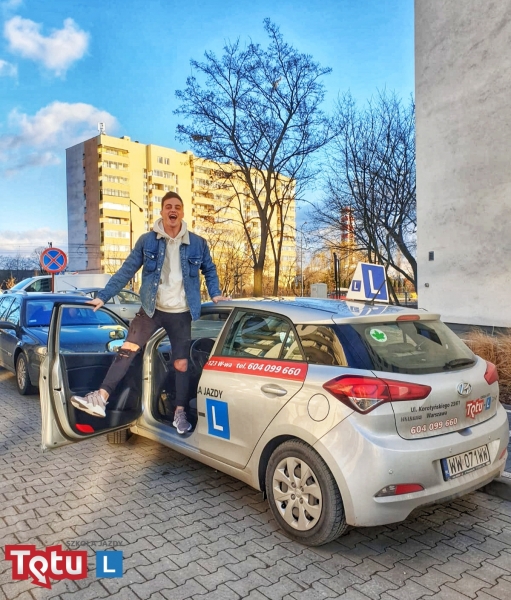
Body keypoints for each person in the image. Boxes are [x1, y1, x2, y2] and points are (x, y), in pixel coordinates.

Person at [70, 191, 229, 434]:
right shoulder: (148, 241)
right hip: (151, 309)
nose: (173, 210)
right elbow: (127, 270)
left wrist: (215, 293)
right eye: (168, 206)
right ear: (162, 211)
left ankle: (179, 413)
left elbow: (210, 269)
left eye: (177, 206)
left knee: (181, 364)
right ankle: (101, 398)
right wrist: (104, 295)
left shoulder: (198, 243)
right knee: (127, 350)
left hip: (181, 312)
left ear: (182, 212)